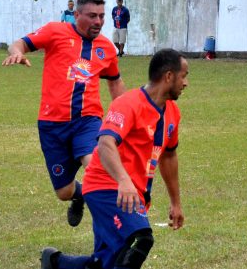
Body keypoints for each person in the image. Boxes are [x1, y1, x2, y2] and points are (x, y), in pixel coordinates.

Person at [40, 48, 187, 269]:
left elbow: (169, 156)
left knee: (105, 263)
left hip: (130, 192)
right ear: (168, 76)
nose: (186, 83)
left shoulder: (173, 113)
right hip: (106, 186)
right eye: (183, 76)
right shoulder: (128, 103)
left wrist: (176, 203)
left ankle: (54, 263)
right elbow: (106, 143)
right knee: (140, 239)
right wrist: (123, 180)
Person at [2, 0, 126, 227]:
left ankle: (113, 230)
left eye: (101, 16)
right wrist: (16, 53)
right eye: (91, 16)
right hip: (52, 125)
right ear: (76, 15)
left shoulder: (106, 48)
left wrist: (124, 119)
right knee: (63, 191)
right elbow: (19, 43)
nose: (98, 21)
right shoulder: (55, 31)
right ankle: (78, 196)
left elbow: (114, 81)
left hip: (87, 121)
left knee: (96, 167)